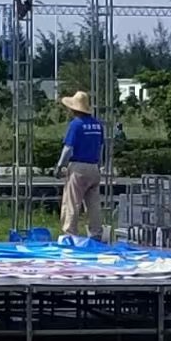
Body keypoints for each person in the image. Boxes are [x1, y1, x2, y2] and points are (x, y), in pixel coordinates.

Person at [55, 89, 105, 239]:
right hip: (94, 167)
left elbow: (68, 148)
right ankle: (96, 233)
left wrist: (60, 166)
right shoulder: (98, 125)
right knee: (93, 204)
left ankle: (70, 234)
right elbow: (101, 147)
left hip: (78, 167)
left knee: (72, 201)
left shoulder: (76, 125)